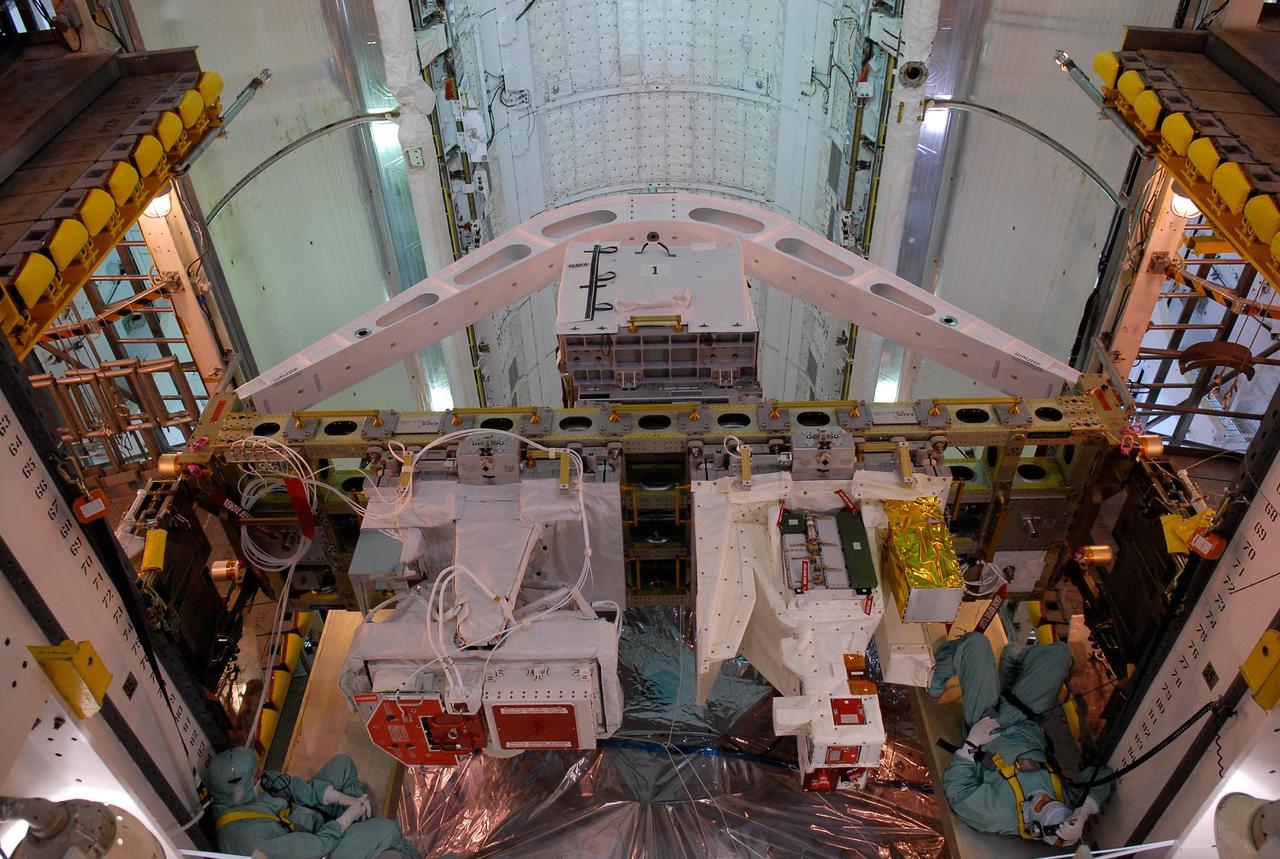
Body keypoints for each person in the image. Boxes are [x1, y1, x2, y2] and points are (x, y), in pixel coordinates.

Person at [929, 631, 1110, 847]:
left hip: (988, 724)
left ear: (1034, 825)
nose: (1045, 797)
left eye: (1042, 805)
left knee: (976, 644)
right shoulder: (1067, 800)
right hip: (1027, 719)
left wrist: (971, 744)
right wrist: (1085, 809)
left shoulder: (998, 814)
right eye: (1052, 799)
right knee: (1060, 655)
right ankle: (1013, 671)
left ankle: (937, 671)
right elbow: (1103, 776)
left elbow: (958, 791)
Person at [205, 747, 422, 859]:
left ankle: (359, 829)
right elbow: (314, 848)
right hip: (317, 850)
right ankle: (360, 837)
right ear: (237, 787)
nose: (261, 774)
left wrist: (336, 797)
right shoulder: (246, 836)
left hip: (311, 823)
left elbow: (293, 787)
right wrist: (344, 820)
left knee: (342, 764)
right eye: (256, 775)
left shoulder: (247, 789)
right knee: (387, 830)